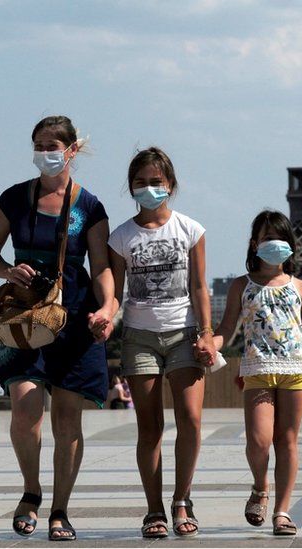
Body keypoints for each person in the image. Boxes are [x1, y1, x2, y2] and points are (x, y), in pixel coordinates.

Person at [0, 115, 115, 541]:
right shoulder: (15, 198)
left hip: (74, 318)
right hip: (24, 318)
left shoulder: (89, 206)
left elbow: (102, 268)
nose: (45, 153)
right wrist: (6, 270)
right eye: (39, 145)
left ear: (73, 149)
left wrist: (108, 307)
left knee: (68, 420)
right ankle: (32, 491)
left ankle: (60, 509)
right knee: (25, 410)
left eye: (53, 145)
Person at [108, 147, 214, 538]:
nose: (149, 188)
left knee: (190, 419)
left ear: (170, 184)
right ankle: (154, 509)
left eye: (156, 182)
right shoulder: (121, 236)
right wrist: (107, 314)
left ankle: (182, 499)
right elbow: (117, 293)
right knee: (149, 427)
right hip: (138, 335)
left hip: (184, 332)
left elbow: (200, 286)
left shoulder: (191, 230)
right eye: (141, 182)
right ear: (130, 187)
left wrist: (206, 331)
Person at [209, 210, 302, 537]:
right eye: (267, 238)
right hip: (259, 369)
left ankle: (282, 510)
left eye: (280, 239)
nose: (274, 245)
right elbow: (227, 327)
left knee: (288, 440)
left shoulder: (301, 287)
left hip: (296, 370)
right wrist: (212, 342)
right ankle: (261, 486)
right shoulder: (241, 285)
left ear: (290, 246)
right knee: (259, 441)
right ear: (254, 244)